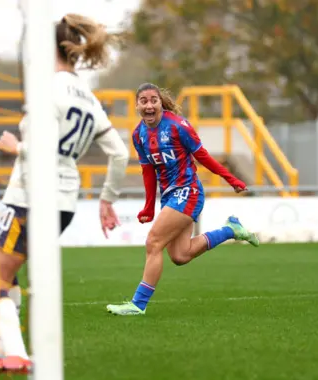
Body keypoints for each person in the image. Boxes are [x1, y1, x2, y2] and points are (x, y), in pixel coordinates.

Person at [0, 14, 129, 375]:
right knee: (7, 277)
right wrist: (107, 198)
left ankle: (15, 354)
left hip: (29, 197)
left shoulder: (48, 88)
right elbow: (119, 153)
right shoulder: (89, 98)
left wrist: (18, 147)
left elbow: (41, 147)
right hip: (64, 203)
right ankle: (5, 351)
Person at [106, 83, 259, 316]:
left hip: (188, 191)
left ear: (160, 103)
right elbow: (148, 171)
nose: (149, 105)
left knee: (154, 242)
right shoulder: (139, 134)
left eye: (153, 100)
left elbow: (203, 157)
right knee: (180, 255)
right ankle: (230, 230)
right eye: (143, 101)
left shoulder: (178, 126)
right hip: (170, 195)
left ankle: (138, 304)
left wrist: (231, 179)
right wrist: (148, 206)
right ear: (137, 105)